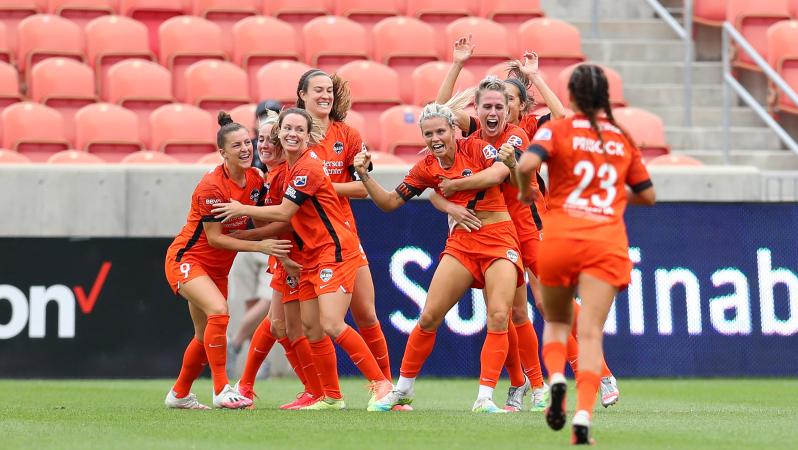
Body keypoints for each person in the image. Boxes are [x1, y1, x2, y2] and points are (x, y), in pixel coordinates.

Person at [212, 108, 393, 411]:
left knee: (331, 323)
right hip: (306, 254)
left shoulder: (305, 167)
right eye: (280, 132)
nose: (274, 141)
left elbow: (284, 216)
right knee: (304, 327)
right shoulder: (277, 172)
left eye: (297, 130)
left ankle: (382, 385)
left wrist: (240, 215)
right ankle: (329, 395)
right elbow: (285, 221)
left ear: (308, 136)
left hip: (331, 250)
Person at [514, 64, 655, 444]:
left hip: (560, 237)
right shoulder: (621, 137)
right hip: (606, 242)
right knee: (590, 333)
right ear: (606, 97)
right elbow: (648, 194)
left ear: (572, 97)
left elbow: (526, 164)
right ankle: (581, 420)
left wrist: (526, 191)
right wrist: (610, 198)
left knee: (557, 322)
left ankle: (557, 378)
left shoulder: (557, 129)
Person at [355, 98, 524, 414]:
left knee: (500, 315)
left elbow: (498, 175)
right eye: (428, 134)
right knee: (430, 315)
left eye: (440, 132)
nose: (435, 139)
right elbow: (391, 203)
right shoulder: (426, 169)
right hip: (462, 244)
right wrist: (364, 176)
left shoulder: (475, 149)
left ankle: (485, 398)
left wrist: (453, 187)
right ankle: (402, 390)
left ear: (453, 131)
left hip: (500, 239)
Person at [434, 36, 554, 412]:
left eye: (501, 104)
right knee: (507, 313)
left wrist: (452, 188)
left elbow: (494, 177)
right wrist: (456, 64)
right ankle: (522, 386)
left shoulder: (519, 134)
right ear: (479, 107)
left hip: (513, 231)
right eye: (487, 104)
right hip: (478, 231)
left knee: (517, 311)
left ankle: (541, 385)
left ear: (512, 109)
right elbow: (437, 111)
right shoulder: (470, 132)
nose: (493, 110)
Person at [163, 112, 292, 410]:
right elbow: (215, 239)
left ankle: (179, 394)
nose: (246, 149)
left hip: (218, 268)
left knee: (202, 336)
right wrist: (262, 246)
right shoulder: (212, 187)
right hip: (187, 260)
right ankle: (222, 389)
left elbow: (259, 217)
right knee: (219, 313)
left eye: (248, 142)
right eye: (237, 145)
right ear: (222, 152)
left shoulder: (255, 179)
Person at [296, 69, 392, 381]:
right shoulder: (294, 135)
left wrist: (316, 187)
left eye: (329, 91)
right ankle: (322, 392)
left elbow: (362, 186)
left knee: (365, 313)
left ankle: (388, 387)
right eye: (318, 90)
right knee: (294, 323)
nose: (325, 96)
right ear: (302, 95)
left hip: (344, 234)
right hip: (306, 239)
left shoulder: (348, 135)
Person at [232, 114, 326, 410]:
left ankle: (321, 391)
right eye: (260, 139)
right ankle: (309, 390)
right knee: (279, 324)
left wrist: (247, 235)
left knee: (295, 327)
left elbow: (287, 221)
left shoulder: (287, 173)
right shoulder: (270, 175)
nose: (264, 145)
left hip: (296, 255)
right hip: (284, 253)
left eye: (270, 139)